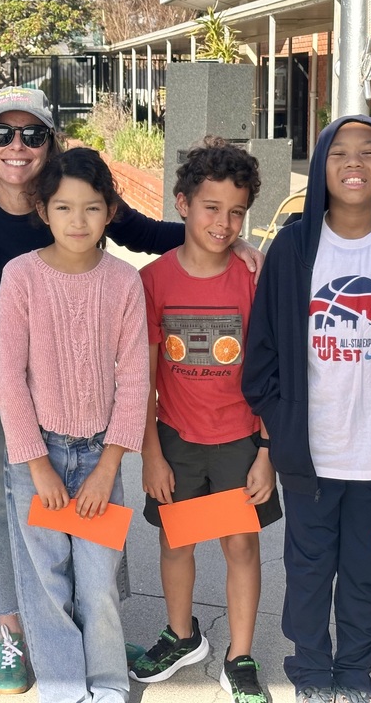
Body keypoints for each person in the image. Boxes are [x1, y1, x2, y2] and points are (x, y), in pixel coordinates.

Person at [0, 85, 263, 694]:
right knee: (0, 521)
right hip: (3, 395)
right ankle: (22, 638)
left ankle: (91, 642)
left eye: (32, 134)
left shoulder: (101, 237)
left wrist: (221, 237)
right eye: (1, 133)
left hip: (96, 420)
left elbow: (157, 239)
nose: (16, 146)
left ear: (51, 143)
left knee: (94, 560)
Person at [242, 115, 371, 703]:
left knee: (364, 574)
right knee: (308, 574)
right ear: (322, 168)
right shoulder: (293, 247)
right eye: (338, 153)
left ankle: (355, 672)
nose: (353, 163)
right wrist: (282, 428)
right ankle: (310, 672)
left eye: (368, 153)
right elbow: (262, 356)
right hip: (310, 453)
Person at [0, 146, 148, 703]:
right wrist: (37, 466)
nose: (77, 221)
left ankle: (105, 686)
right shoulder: (23, 276)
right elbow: (6, 376)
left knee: (99, 583)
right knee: (45, 583)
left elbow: (134, 379)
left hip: (101, 457)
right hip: (39, 458)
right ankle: (62, 687)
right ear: (43, 209)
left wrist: (109, 467)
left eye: (91, 208)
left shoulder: (124, 283)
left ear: (109, 211)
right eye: (63, 208)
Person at [131, 139, 282, 703]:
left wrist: (267, 451)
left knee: (241, 548)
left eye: (236, 212)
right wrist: (150, 451)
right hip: (176, 441)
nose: (223, 223)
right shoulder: (153, 282)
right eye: (211, 207)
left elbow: (272, 372)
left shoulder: (253, 278)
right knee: (177, 543)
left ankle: (239, 656)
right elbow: (140, 380)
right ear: (182, 204)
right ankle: (182, 633)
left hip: (240, 441)